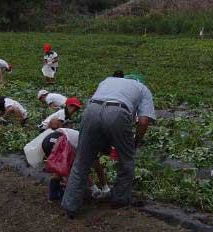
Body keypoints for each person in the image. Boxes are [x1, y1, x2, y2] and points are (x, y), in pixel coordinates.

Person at [61, 74, 155, 217]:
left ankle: (70, 206)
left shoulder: (108, 80)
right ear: (137, 81)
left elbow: (100, 112)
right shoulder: (142, 88)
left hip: (91, 110)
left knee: (82, 161)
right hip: (118, 112)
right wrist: (133, 144)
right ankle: (120, 200)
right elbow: (143, 122)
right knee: (126, 161)